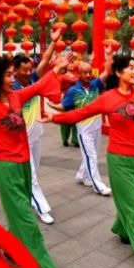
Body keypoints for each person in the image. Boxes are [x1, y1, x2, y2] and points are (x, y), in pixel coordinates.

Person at [41, 32, 134, 264]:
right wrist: (54, 118)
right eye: (130, 68)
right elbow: (80, 113)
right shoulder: (108, 98)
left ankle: (122, 228)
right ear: (118, 73)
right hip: (119, 159)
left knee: (133, 198)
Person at [0, 53, 71, 268]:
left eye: (12, 74)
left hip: (24, 165)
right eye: (8, 75)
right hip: (7, 169)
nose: (13, 78)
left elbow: (38, 87)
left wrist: (57, 68)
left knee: (20, 212)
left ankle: (12, 248)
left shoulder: (15, 97)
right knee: (27, 220)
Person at [12, 28, 62, 225]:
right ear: (15, 71)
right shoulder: (12, 89)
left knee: (34, 172)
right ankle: (42, 209)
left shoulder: (33, 79)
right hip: (21, 138)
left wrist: (53, 41)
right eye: (23, 70)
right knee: (32, 175)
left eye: (29, 69)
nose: (28, 73)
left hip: (36, 134)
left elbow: (44, 62)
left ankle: (26, 196)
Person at [48, 50, 113, 196]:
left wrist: (109, 55)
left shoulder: (95, 84)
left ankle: (81, 175)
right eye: (85, 73)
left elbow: (107, 71)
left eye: (90, 72)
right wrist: (53, 106)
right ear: (79, 73)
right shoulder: (73, 91)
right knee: (91, 157)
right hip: (84, 130)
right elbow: (64, 106)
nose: (88, 75)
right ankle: (98, 185)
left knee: (92, 154)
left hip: (97, 127)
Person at [58, 62, 79, 147]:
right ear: (66, 66)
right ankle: (65, 139)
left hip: (76, 99)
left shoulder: (78, 76)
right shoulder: (63, 77)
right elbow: (61, 89)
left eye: (72, 64)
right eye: (69, 64)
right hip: (66, 99)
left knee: (76, 119)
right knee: (65, 119)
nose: (71, 65)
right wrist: (61, 100)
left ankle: (76, 140)